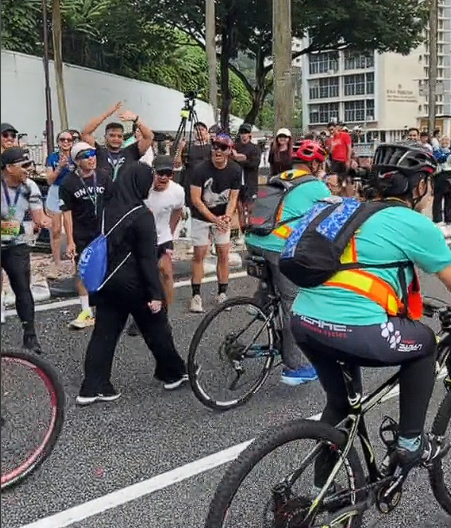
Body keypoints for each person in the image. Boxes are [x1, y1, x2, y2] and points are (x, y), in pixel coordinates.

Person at [290, 142, 451, 483]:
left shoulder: (349, 211)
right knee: (425, 344)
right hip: (355, 329)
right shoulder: (412, 222)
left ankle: (327, 494)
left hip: (303, 320)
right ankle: (410, 444)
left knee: (341, 405)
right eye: (429, 182)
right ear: (418, 185)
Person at [76, 163, 188, 405]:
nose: (150, 187)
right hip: (133, 284)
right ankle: (174, 373)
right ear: (138, 183)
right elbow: (147, 260)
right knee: (157, 328)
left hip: (106, 281)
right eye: (147, 183)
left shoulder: (106, 208)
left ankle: (93, 386)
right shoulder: (141, 216)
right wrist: (155, 294)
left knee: (104, 334)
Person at [246, 140, 331, 385]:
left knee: (274, 282)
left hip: (254, 239)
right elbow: (328, 223)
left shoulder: (279, 176)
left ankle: (260, 302)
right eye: (320, 163)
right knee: (293, 301)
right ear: (315, 164)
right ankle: (295, 367)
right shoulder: (316, 186)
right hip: (277, 246)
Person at [127, 155, 184, 336]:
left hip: (163, 237)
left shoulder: (177, 191)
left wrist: (170, 232)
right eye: (160, 173)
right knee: (141, 278)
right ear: (153, 172)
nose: (164, 177)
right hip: (141, 239)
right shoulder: (143, 188)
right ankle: (140, 318)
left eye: (169, 174)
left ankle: (164, 316)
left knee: (166, 273)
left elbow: (177, 211)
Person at [1, 147, 52, 353]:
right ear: (9, 168)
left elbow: (40, 218)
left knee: (22, 288)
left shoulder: (30, 187)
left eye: (30, 164)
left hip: (16, 245)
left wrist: (48, 222)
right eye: (24, 166)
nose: (28, 169)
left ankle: (30, 336)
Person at [60, 142, 112, 329]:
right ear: (77, 160)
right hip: (82, 233)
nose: (91, 158)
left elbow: (112, 202)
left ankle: (105, 308)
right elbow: (66, 213)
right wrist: (70, 240)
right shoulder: (68, 183)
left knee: (105, 270)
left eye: (93, 154)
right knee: (82, 271)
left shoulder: (104, 176)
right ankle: (85, 310)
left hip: (103, 232)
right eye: (86, 156)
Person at [189, 133, 242, 312]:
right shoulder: (200, 169)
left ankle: (222, 293)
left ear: (229, 151)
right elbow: (196, 199)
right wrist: (214, 219)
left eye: (222, 147)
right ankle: (196, 295)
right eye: (215, 146)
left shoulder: (235, 170)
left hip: (222, 216)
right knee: (199, 253)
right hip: (201, 216)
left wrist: (227, 217)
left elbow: (233, 198)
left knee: (223, 253)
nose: (217, 150)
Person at [81, 101, 154, 181]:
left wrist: (136, 119)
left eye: (119, 136)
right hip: (104, 192)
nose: (116, 139)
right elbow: (85, 133)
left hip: (125, 193)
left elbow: (149, 137)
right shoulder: (99, 152)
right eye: (112, 135)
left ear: (123, 138)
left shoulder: (130, 152)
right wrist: (105, 115)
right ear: (105, 137)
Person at [45, 130, 76, 278]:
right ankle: (56, 263)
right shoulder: (52, 157)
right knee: (56, 230)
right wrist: (60, 167)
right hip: (56, 191)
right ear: (58, 142)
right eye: (62, 139)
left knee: (74, 227)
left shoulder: (76, 155)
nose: (66, 142)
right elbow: (49, 180)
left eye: (69, 140)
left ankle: (75, 261)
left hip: (70, 191)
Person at [233, 123, 261, 230]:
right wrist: (240, 158)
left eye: (246, 133)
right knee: (239, 208)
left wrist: (242, 159)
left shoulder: (255, 148)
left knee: (250, 208)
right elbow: (232, 160)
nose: (244, 135)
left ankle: (251, 228)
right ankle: (242, 230)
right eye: (242, 133)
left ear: (250, 134)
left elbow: (254, 164)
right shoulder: (236, 147)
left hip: (250, 182)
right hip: (237, 182)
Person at [432, 136, 451, 226]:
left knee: (449, 198)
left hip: (449, 175)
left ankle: (449, 218)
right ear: (440, 141)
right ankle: (437, 219)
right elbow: (439, 159)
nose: (445, 142)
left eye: (447, 140)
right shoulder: (437, 150)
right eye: (443, 140)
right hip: (440, 175)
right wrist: (447, 155)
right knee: (438, 198)